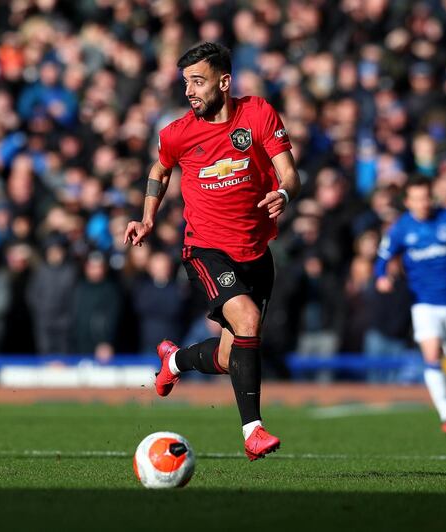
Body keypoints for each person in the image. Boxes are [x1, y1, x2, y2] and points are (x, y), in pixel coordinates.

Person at [123, 42, 301, 460]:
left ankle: (175, 362)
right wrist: (147, 218)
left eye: (198, 81)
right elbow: (160, 169)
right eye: (186, 82)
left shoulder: (257, 113)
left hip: (256, 251)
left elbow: (289, 172)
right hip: (205, 249)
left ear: (224, 82)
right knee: (248, 319)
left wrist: (284, 195)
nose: (190, 91)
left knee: (229, 353)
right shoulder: (177, 133)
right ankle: (253, 432)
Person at [374, 177, 446, 433]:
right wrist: (381, 277)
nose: (422, 203)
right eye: (416, 199)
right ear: (408, 202)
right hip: (424, 302)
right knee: (432, 356)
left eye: (426, 197)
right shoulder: (401, 228)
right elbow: (382, 256)